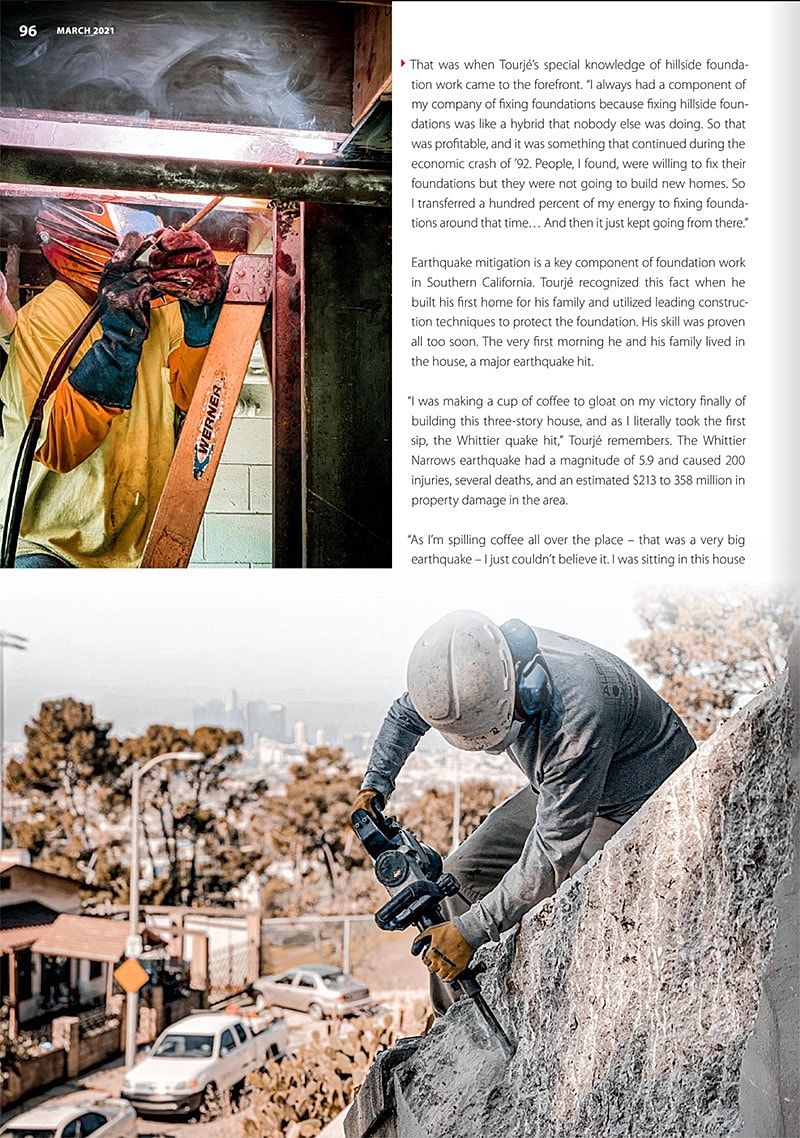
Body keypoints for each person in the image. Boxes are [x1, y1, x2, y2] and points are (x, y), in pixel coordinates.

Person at [353, 610, 697, 1014]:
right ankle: (457, 1020)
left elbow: (549, 855)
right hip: (560, 787)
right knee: (459, 876)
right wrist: (374, 785)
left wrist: (471, 931)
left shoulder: (575, 718)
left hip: (638, 807)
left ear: (522, 695)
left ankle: (539, 1015)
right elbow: (405, 715)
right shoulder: (471, 663)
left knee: (564, 905)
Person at [0, 199, 225, 568]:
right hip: (48, 546)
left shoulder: (161, 312)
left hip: (134, 551)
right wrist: (119, 339)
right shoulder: (41, 320)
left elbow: (193, 398)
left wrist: (203, 322)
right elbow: (59, 445)